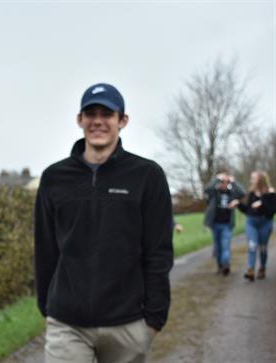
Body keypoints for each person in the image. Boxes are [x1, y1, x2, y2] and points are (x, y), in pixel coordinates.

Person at [34, 83, 174, 363]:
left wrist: (154, 318)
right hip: (67, 323)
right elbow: (45, 249)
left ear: (122, 120)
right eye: (90, 113)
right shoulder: (54, 178)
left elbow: (158, 251)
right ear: (79, 120)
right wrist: (47, 306)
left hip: (128, 323)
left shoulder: (147, 176)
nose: (98, 120)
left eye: (107, 114)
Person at [203, 172, 245, 276]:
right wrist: (217, 179)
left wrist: (233, 181)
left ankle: (226, 265)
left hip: (227, 224)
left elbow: (242, 193)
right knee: (218, 247)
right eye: (222, 182)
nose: (224, 184)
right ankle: (220, 267)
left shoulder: (232, 192)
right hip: (215, 224)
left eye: (226, 182)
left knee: (225, 245)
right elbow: (206, 190)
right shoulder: (214, 192)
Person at [237, 171, 276, 281]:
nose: (251, 181)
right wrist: (238, 205)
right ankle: (251, 270)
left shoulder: (270, 193)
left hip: (265, 223)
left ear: (260, 179)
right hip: (251, 223)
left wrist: (262, 204)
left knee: (263, 248)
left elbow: (272, 211)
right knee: (252, 245)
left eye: (253, 178)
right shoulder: (252, 193)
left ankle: (262, 268)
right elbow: (248, 210)